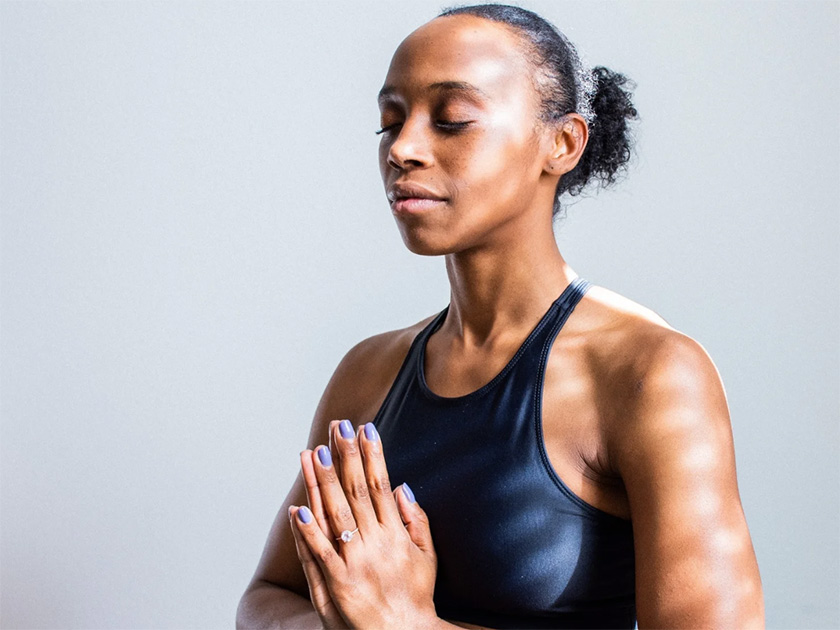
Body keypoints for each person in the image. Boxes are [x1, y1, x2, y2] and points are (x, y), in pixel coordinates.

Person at [236, 4, 764, 629]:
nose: (403, 148)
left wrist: (408, 625)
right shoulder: (368, 373)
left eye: (453, 120)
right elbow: (266, 598)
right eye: (390, 121)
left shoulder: (650, 373)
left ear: (561, 143)